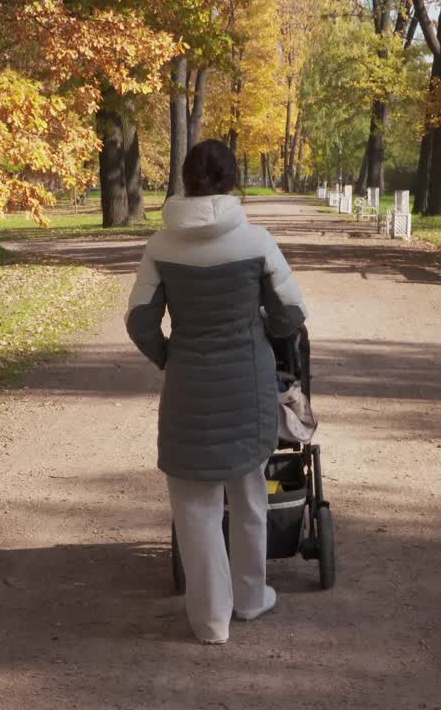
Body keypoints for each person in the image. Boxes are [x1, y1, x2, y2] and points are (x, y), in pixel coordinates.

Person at [125, 139, 307, 644]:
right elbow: (292, 314)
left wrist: (170, 357)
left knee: (195, 508)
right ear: (232, 180)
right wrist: (258, 331)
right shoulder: (256, 241)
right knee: (249, 497)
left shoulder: (161, 246)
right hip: (246, 387)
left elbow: (140, 321)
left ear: (185, 179)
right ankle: (251, 599)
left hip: (187, 389)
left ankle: (209, 622)